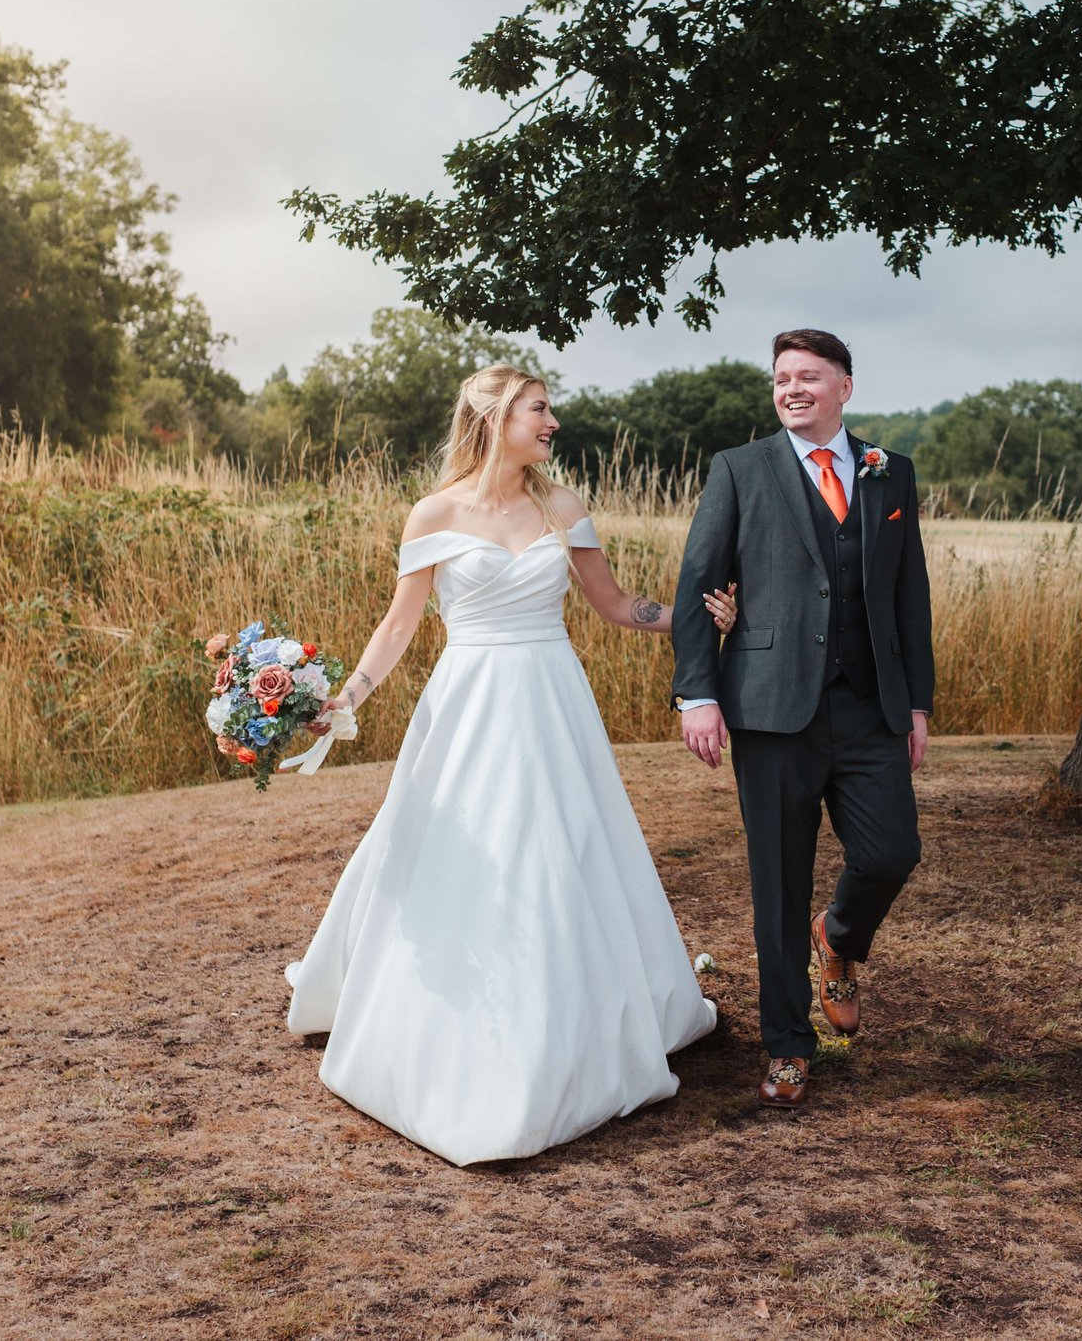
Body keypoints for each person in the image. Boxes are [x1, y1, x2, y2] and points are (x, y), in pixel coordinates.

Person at [284, 364, 736, 1165]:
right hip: (469, 702)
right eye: (539, 408)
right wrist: (341, 700)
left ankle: (568, 1019)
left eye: (550, 409)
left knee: (561, 851)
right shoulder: (435, 512)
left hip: (552, 699)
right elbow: (399, 627)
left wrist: (698, 618)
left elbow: (614, 603)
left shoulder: (562, 507)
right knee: (457, 852)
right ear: (494, 416)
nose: (552, 421)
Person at [671, 328, 935, 1109]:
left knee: (892, 850)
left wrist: (917, 702)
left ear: (844, 388)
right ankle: (788, 1045)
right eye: (782, 377)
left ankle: (841, 937)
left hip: (869, 706)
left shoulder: (892, 474)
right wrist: (699, 691)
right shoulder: (739, 470)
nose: (791, 389)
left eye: (809, 377)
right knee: (777, 885)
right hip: (769, 707)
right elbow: (697, 585)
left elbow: (908, 595)